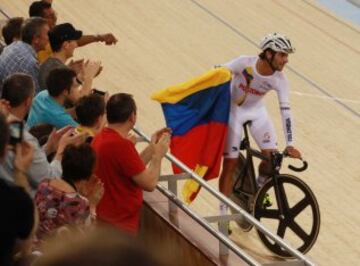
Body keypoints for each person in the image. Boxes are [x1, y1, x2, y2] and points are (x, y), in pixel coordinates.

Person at [219, 33, 302, 218]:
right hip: (234, 113)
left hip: (256, 112)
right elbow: (217, 72)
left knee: (271, 160)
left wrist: (290, 143)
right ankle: (222, 216)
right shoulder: (244, 63)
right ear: (269, 54)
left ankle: (257, 190)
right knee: (230, 163)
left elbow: (286, 111)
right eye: (283, 55)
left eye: (287, 55)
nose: (286, 60)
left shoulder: (280, 79)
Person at [91, 93, 170, 235]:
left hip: (106, 219)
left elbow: (132, 168)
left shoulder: (102, 137)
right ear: (132, 117)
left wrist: (152, 147)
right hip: (118, 226)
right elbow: (150, 183)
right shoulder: (121, 145)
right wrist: (158, 156)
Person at [0, 73, 85, 195]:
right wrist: (61, 151)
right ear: (28, 101)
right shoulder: (25, 140)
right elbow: (50, 180)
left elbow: (28, 162)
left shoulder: (14, 130)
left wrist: (48, 147)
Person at [35, 143, 103, 247]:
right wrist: (93, 205)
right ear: (88, 174)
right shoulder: (81, 203)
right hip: (55, 255)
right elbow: (88, 237)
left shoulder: (43, 185)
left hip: (33, 246)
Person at [29, 1, 118, 64]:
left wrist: (99, 37)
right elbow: (73, 40)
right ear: (41, 20)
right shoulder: (46, 40)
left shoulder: (32, 29)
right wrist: (99, 37)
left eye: (54, 14)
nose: (55, 18)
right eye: (51, 16)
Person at [39, 23, 102, 92]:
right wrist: (89, 76)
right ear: (66, 45)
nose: (76, 45)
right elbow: (77, 100)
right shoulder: (61, 73)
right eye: (74, 41)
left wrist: (74, 73)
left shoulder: (47, 62)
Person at [0, 17, 49, 93]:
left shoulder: (12, 46)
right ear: (36, 39)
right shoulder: (31, 63)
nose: (49, 38)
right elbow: (37, 97)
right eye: (47, 34)